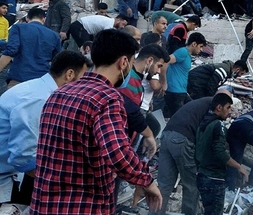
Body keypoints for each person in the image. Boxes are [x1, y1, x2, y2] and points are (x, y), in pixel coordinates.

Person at [30, 30, 162, 214]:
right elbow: (117, 153)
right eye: (131, 63)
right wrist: (146, 180)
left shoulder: (59, 93)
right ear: (124, 62)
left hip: (44, 204)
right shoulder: (107, 98)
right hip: (82, 206)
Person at [0, 51, 87, 206]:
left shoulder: (40, 89)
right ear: (69, 74)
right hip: (6, 173)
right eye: (83, 78)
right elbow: (24, 156)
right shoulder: (39, 99)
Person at [151, 90, 231, 215]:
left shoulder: (200, 104)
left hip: (166, 136)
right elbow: (203, 140)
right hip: (182, 139)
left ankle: (155, 213)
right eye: (228, 107)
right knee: (191, 184)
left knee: (164, 184)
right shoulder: (212, 108)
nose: (230, 111)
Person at [195, 92, 247, 215]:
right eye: (228, 107)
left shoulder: (202, 124)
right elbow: (220, 152)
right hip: (214, 178)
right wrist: (239, 167)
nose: (230, 112)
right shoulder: (218, 125)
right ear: (219, 108)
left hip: (201, 176)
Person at [0, 8, 62, 88]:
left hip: (19, 78)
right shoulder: (54, 35)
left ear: (27, 18)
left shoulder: (18, 28)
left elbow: (11, 51)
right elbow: (57, 60)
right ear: (44, 19)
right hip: (42, 80)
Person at [164, 32, 206, 118]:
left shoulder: (187, 55)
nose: (201, 50)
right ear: (194, 44)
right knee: (179, 119)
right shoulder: (182, 52)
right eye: (201, 46)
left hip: (181, 91)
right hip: (175, 91)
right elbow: (166, 61)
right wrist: (163, 81)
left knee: (194, 109)